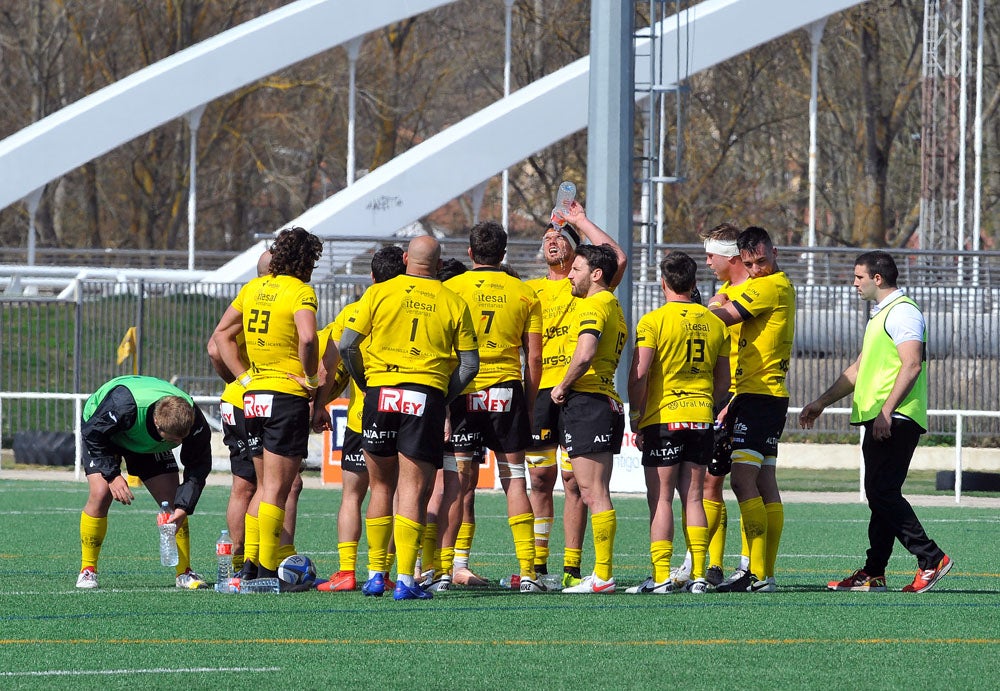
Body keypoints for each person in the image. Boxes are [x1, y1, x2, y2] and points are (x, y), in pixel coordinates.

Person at [800, 250, 952, 593]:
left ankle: (930, 557)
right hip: (881, 417)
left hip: (895, 417)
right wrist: (821, 402)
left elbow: (911, 364)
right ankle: (874, 572)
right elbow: (857, 370)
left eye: (858, 277)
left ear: (877, 278)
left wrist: (886, 411)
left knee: (881, 492)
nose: (854, 283)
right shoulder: (881, 315)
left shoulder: (903, 312)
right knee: (881, 494)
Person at [339, 235, 479, 601]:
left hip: (381, 393)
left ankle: (374, 575)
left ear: (404, 259)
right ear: (438, 264)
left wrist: (366, 383)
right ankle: (405, 580)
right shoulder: (454, 301)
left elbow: (346, 344)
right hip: (424, 394)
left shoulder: (380, 292)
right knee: (413, 492)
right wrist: (440, 395)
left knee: (381, 486)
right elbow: (469, 365)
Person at [210, 226, 323, 582]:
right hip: (284, 395)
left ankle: (250, 565)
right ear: (306, 261)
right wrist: (312, 380)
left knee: (262, 486)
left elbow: (220, 338)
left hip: (253, 397)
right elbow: (307, 338)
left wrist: (244, 379)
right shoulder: (300, 292)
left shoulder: (253, 288)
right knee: (278, 487)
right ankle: (268, 572)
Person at [523, 201, 627, 588]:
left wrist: (580, 221)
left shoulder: (591, 289)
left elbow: (616, 257)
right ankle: (536, 566)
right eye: (547, 236)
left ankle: (573, 568)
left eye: (560, 236)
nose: (552, 240)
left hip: (578, 391)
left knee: (576, 484)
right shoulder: (530, 289)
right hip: (541, 391)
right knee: (540, 478)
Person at [435, 221, 544, 592]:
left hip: (464, 391)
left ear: (469, 252)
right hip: (506, 392)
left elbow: (444, 352)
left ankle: (447, 571)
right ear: (504, 253)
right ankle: (529, 573)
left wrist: (445, 406)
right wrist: (527, 407)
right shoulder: (525, 293)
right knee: (515, 481)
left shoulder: (450, 288)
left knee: (458, 483)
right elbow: (535, 359)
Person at [626, 252, 730, 595]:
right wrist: (708, 405)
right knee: (695, 497)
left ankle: (660, 577)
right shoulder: (715, 323)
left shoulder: (653, 321)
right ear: (694, 283)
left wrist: (636, 415)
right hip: (700, 417)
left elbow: (639, 374)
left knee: (661, 500)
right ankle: (699, 574)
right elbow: (724, 381)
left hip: (664, 418)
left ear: (663, 283)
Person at [311, 245, 406, 592]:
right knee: (394, 493)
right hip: (401, 414)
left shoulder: (354, 310)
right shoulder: (408, 310)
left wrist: (320, 404)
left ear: (371, 276)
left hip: (360, 416)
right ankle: (382, 572)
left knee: (352, 495)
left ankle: (347, 571)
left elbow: (328, 366)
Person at [708, 226, 795, 593]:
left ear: (773, 252)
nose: (757, 268)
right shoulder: (780, 284)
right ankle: (764, 573)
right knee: (763, 481)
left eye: (762, 260)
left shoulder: (767, 286)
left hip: (759, 396)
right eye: (750, 263)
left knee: (742, 480)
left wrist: (696, 309)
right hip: (760, 395)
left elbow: (721, 317)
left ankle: (754, 572)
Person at [667, 223, 750, 589]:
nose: (708, 262)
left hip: (737, 397)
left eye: (712, 255)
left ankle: (748, 567)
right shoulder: (722, 295)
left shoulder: (753, 292)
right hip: (719, 400)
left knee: (745, 483)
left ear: (731, 256)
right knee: (711, 485)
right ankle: (710, 564)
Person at [76, 375, 212, 590]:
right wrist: (112, 476)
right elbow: (93, 435)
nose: (177, 444)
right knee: (101, 494)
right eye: (172, 440)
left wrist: (185, 506)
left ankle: (184, 572)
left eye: (181, 439)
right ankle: (88, 569)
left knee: (173, 503)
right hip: (104, 436)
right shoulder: (123, 405)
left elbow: (198, 466)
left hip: (145, 443)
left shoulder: (193, 419)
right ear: (157, 423)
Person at [550, 243, 628, 594]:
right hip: (603, 403)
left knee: (592, 491)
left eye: (577, 268)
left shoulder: (595, 304)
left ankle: (602, 575)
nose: (570, 273)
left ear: (596, 274)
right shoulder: (612, 303)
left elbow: (585, 353)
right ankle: (600, 573)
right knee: (591, 489)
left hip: (589, 402)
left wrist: (562, 385)